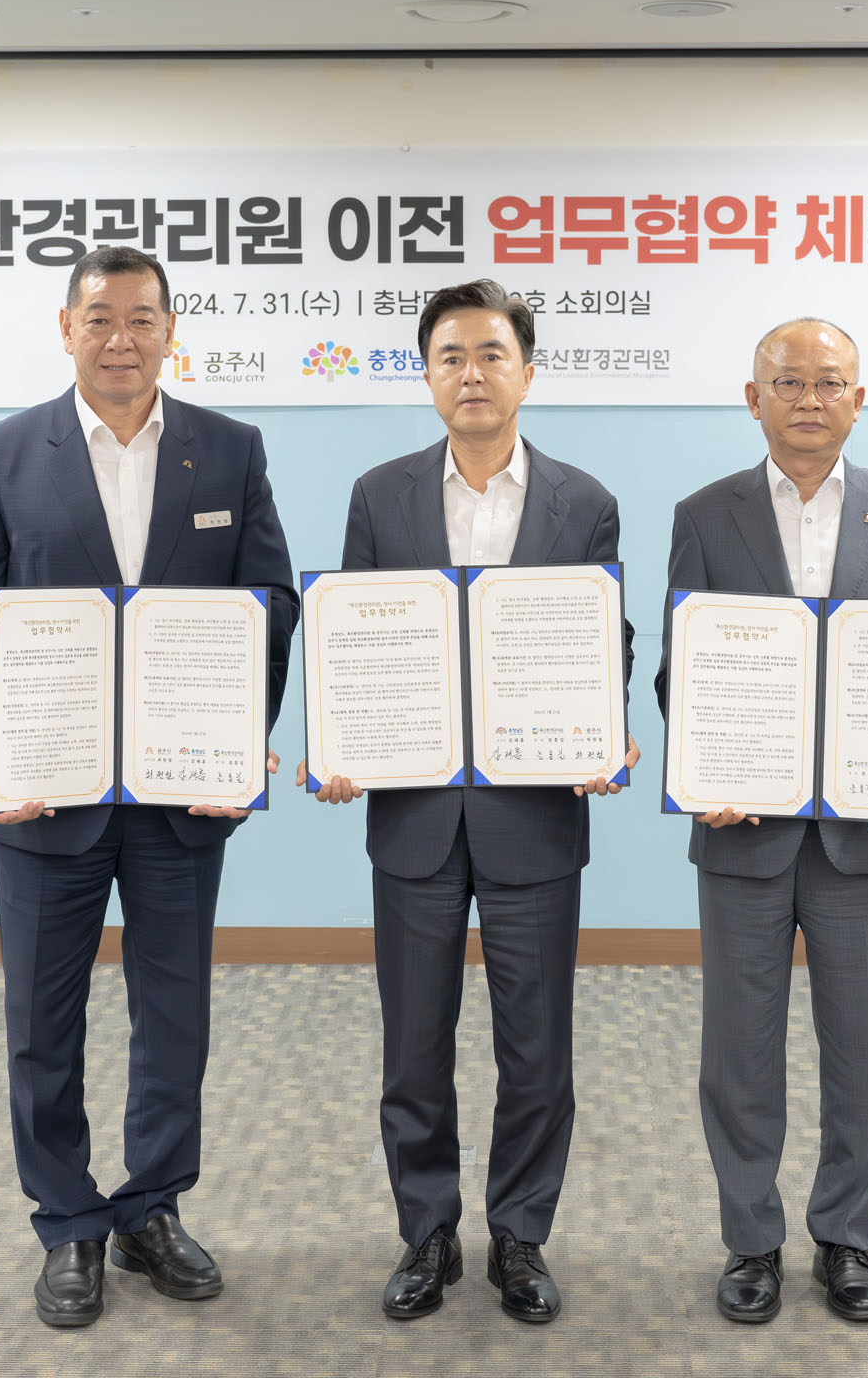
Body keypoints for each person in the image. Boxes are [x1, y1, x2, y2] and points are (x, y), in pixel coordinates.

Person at [0, 246, 297, 1328]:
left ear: (171, 330)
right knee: (42, 1021)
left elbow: (269, 599)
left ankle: (150, 1207)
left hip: (184, 794)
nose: (122, 339)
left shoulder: (229, 450)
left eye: (143, 318)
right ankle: (66, 1221)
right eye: (100, 318)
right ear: (67, 329)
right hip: (48, 792)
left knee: (174, 1015)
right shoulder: (5, 451)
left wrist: (241, 734)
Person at [297, 280, 636, 1324]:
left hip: (535, 817)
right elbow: (353, 635)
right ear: (427, 374)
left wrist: (605, 729)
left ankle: (521, 1235)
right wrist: (338, 742)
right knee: (414, 1043)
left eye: (492, 354)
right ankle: (427, 1231)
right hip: (414, 817)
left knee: (536, 1047)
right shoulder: (381, 494)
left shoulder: (584, 500)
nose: (472, 373)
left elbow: (604, 636)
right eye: (451, 355)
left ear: (527, 371)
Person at [654, 317, 868, 1326]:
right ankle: (751, 1240)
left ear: (859, 397)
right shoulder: (705, 513)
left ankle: (848, 1235)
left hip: (863, 836)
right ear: (753, 397)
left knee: (860, 1053)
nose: (809, 398)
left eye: (829, 381)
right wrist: (701, 765)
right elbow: (681, 667)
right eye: (788, 381)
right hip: (743, 829)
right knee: (739, 1054)